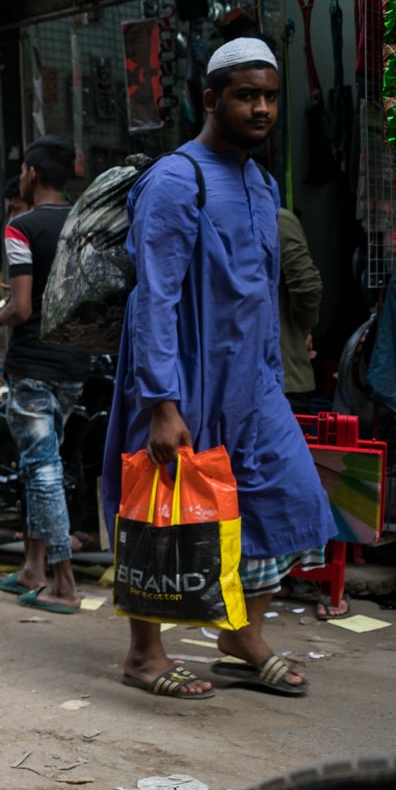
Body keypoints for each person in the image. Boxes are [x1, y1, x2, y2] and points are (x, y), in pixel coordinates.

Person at [106, 37, 334, 700]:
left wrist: (277, 365)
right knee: (162, 512)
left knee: (288, 496)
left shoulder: (261, 182)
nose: (261, 108)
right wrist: (163, 403)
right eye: (246, 95)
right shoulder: (177, 180)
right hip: (181, 378)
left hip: (253, 383)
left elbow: (262, 287)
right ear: (211, 99)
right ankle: (144, 653)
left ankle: (240, 635)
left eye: (269, 96)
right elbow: (156, 294)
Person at [0, 135, 91, 613]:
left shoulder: (21, 227)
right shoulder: (84, 223)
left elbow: (22, 308)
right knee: (41, 464)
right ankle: (31, 568)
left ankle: (63, 583)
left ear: (32, 173)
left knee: (42, 472)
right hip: (75, 363)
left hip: (34, 365)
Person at [277, 207, 322, 414]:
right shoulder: (277, 218)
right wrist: (304, 330)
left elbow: (306, 285)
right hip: (283, 375)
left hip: (278, 376)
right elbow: (306, 285)